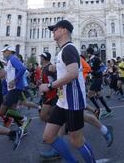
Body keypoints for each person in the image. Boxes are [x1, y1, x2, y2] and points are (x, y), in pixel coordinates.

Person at [39, 20, 96, 163]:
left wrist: (50, 85)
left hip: (73, 100)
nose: (53, 31)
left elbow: (72, 74)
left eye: (55, 29)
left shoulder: (69, 49)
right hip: (62, 101)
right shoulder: (63, 50)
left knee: (77, 141)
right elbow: (66, 73)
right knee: (48, 136)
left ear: (64, 30)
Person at [0, 46, 31, 129]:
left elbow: (22, 68)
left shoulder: (13, 59)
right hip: (13, 88)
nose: (3, 53)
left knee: (2, 110)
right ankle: (23, 127)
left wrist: (14, 80)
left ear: (9, 51)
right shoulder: (10, 60)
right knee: (12, 110)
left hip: (15, 88)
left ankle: (24, 119)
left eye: (4, 51)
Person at [86, 47, 112, 118]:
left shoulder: (96, 59)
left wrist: (96, 72)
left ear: (89, 53)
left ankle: (99, 110)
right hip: (95, 78)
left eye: (87, 53)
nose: (87, 54)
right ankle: (108, 110)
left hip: (98, 78)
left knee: (89, 94)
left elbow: (103, 67)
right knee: (99, 95)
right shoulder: (89, 60)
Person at [38, 52, 58, 122]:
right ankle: (56, 126)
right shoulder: (44, 68)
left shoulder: (50, 67)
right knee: (44, 116)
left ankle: (59, 126)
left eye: (40, 58)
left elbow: (58, 80)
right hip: (46, 95)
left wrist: (61, 95)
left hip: (53, 95)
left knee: (44, 116)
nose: (40, 59)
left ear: (43, 58)